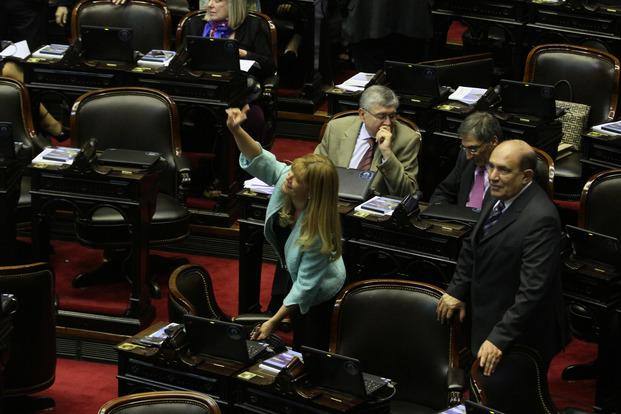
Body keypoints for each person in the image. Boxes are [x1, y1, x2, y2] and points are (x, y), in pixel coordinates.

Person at [436, 140, 569, 401]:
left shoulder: (541, 218)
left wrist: (499, 338)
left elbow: (533, 291)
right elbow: (472, 245)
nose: (493, 177)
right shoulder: (497, 193)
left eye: (504, 170)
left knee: (508, 401)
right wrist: (457, 289)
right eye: (491, 168)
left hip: (522, 333)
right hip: (488, 311)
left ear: (526, 176)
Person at [226, 105, 346, 350]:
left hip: (321, 289)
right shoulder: (288, 180)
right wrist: (236, 130)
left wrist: (272, 322)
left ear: (311, 192)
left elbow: (305, 288)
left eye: (297, 178)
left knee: (309, 341)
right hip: (297, 270)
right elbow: (260, 158)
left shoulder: (318, 236)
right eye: (292, 171)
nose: (289, 177)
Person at [315, 85, 420, 197]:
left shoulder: (408, 139)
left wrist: (387, 154)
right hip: (333, 198)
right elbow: (315, 169)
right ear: (362, 114)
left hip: (373, 207)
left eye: (392, 116)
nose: (388, 123)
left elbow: (408, 192)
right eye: (381, 116)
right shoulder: (337, 128)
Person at [429, 112, 501, 208]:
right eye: (464, 147)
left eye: (473, 149)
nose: (468, 156)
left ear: (493, 141)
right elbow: (443, 193)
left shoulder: (508, 169)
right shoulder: (465, 156)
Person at [188, 0, 275, 80]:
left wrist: (244, 54)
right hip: (201, 81)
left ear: (233, 4)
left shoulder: (253, 26)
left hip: (238, 84)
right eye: (209, 0)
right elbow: (182, 61)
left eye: (217, 0)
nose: (210, 4)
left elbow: (269, 66)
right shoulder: (195, 24)